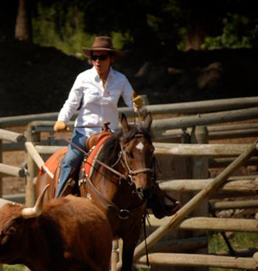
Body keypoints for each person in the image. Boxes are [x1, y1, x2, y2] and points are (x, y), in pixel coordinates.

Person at [53, 36, 179, 217]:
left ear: (111, 58)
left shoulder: (120, 79)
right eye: (94, 57)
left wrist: (138, 106)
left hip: (111, 134)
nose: (97, 61)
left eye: (102, 57)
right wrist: (62, 119)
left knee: (138, 161)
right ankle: (57, 205)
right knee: (69, 162)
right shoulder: (83, 78)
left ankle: (156, 203)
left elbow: (132, 101)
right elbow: (71, 103)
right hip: (85, 132)